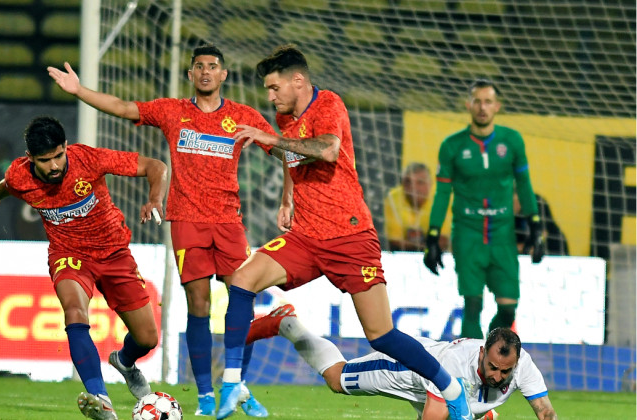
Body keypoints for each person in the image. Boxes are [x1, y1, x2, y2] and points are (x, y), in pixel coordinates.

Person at [215, 44, 472, 420]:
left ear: (297, 81)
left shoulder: (329, 104)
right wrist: (287, 198)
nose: (270, 96)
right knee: (241, 280)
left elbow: (329, 150)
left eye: (274, 88)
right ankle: (233, 382)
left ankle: (452, 389)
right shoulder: (285, 119)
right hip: (305, 236)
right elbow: (292, 158)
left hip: (350, 237)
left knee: (382, 336)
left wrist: (272, 140)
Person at [47, 44, 277, 418]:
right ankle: (205, 399)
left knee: (242, 300)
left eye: (213, 66)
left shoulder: (243, 116)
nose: (205, 71)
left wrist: (288, 198)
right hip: (187, 221)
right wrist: (80, 91)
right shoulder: (173, 111)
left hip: (230, 221)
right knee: (198, 305)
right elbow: (123, 107)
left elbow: (281, 151)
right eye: (199, 66)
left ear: (224, 76)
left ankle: (237, 385)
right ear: (190, 75)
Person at [0, 116, 168, 420]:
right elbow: (6, 186)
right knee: (75, 312)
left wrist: (155, 198)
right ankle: (100, 398)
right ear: (30, 159)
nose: (54, 165)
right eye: (45, 160)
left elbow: (155, 166)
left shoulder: (88, 160)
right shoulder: (20, 175)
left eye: (58, 155)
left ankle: (124, 361)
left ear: (66, 147)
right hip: (69, 254)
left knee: (147, 339)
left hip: (114, 252)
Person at [246, 305, 558, 420]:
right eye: (492, 368)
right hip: (408, 371)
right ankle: (287, 323)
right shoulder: (454, 366)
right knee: (336, 379)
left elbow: (545, 411)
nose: (498, 376)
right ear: (481, 354)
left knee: (466, 411)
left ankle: (480, 415)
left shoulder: (522, 365)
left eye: (506, 371)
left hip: (444, 390)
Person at [424, 79, 545, 340]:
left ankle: (489, 351)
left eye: (488, 101)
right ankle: (473, 372)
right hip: (468, 233)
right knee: (473, 305)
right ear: (468, 105)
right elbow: (442, 194)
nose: (482, 107)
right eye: (477, 101)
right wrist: (432, 236)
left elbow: (524, 186)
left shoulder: (512, 141)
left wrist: (536, 227)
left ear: (497, 106)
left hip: (503, 234)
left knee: (508, 308)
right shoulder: (452, 146)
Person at [384, 162, 450, 251]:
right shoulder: (393, 198)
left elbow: (443, 241)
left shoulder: (440, 199)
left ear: (430, 184)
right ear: (402, 183)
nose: (413, 187)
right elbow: (395, 242)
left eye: (420, 182)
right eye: (408, 181)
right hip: (403, 255)